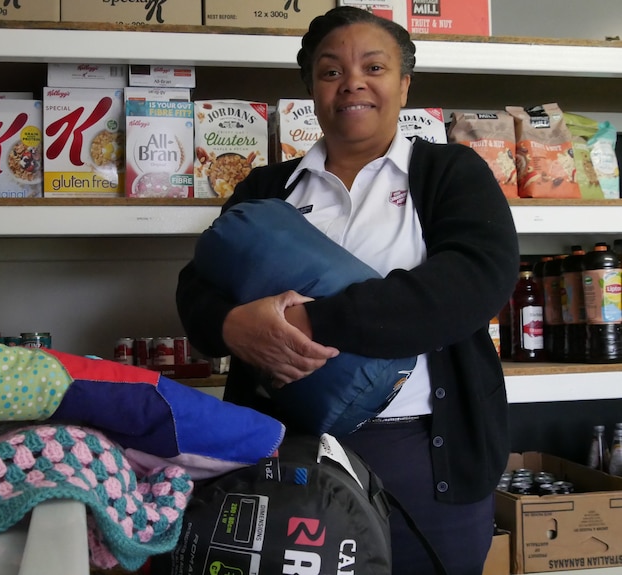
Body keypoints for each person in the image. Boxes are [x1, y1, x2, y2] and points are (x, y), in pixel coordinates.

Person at [175, 7, 520, 575]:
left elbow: (473, 281)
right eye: (331, 71)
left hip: (425, 459)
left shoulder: (448, 173)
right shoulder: (269, 188)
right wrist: (233, 326)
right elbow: (198, 286)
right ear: (310, 88)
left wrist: (310, 324)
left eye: (375, 66)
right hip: (286, 457)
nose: (352, 82)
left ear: (404, 84)